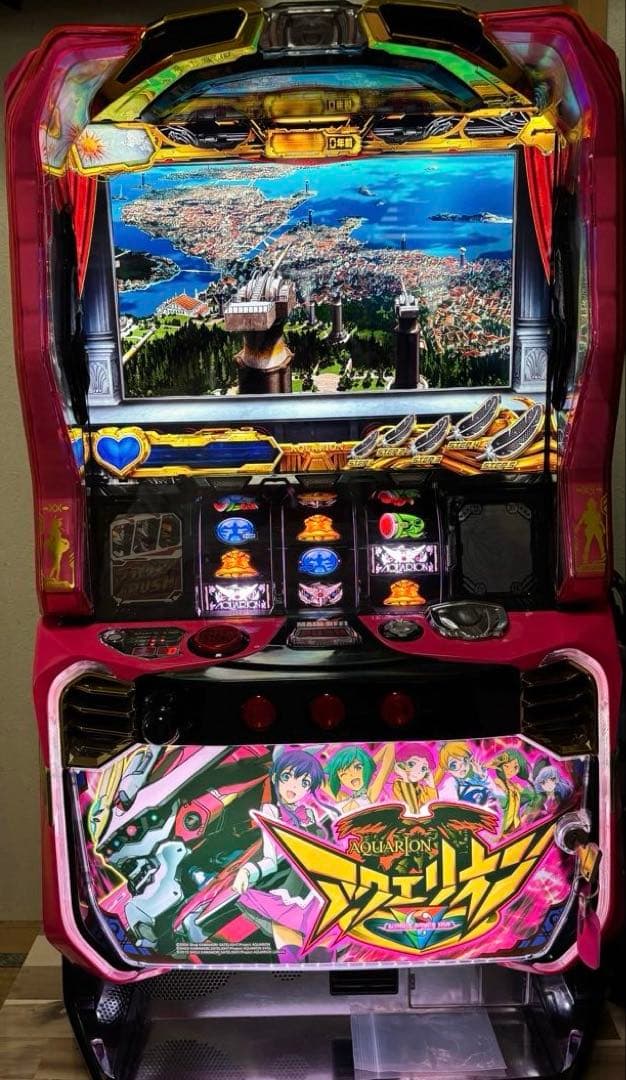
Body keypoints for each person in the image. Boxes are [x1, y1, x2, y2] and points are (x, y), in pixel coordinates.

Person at [232, 747, 326, 963]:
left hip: (319, 889)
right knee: (291, 956)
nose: (294, 786)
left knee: (322, 954)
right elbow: (270, 860)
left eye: (304, 782)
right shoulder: (272, 813)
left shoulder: (309, 814)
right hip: (290, 890)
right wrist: (246, 871)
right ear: (275, 777)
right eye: (287, 776)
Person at [324, 744, 395, 815]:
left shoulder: (370, 795)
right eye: (344, 774)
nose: (351, 775)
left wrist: (368, 767)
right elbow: (319, 778)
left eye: (358, 767)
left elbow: (389, 747)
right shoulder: (341, 797)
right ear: (340, 781)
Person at [434, 742, 495, 807]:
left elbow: (495, 794)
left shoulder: (478, 777)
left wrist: (482, 775)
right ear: (447, 770)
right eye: (454, 765)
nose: (462, 767)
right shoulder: (450, 785)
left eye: (465, 760)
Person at [488, 749, 531, 834]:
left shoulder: (515, 785)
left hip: (515, 827)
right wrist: (487, 766)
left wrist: (524, 791)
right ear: (500, 766)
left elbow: (532, 797)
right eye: (506, 766)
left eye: (515, 767)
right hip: (500, 829)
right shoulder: (497, 782)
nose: (511, 770)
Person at [392, 744, 438, 815]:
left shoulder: (420, 788)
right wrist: (405, 778)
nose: (417, 771)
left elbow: (433, 809)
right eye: (411, 764)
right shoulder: (399, 784)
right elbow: (412, 810)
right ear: (401, 764)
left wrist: (431, 785)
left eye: (423, 768)